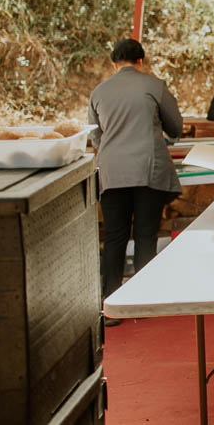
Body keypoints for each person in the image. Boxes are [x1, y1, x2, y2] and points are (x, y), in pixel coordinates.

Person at [89, 38, 183, 325]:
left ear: (113, 63)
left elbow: (96, 137)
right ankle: (143, 302)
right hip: (147, 171)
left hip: (111, 172)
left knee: (115, 237)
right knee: (145, 236)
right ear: (141, 61)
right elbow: (175, 127)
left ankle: (111, 308)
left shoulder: (99, 92)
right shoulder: (154, 86)